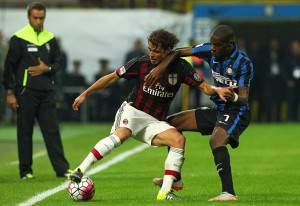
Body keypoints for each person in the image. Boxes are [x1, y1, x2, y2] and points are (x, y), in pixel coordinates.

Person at [69, 29, 233, 200]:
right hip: (133, 112)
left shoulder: (182, 68)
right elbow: (111, 78)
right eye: (150, 49)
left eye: (156, 50)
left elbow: (204, 87)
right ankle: (80, 170)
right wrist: (85, 94)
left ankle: (165, 192)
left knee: (178, 140)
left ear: (168, 51)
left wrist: (217, 90)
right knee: (121, 135)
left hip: (154, 121)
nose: (151, 54)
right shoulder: (141, 63)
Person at [146, 25, 254, 202]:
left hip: (237, 111)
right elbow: (178, 52)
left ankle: (229, 193)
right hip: (218, 110)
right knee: (172, 124)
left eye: (217, 45)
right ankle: (176, 179)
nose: (212, 48)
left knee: (216, 139)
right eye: (211, 44)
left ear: (230, 45)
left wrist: (232, 97)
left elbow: (243, 97)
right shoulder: (210, 49)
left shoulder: (244, 63)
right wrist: (160, 68)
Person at [2, 2, 70, 179]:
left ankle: (61, 169)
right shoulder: (18, 38)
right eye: (35, 18)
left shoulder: (50, 39)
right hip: (25, 93)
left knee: (52, 130)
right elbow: (9, 67)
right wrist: (9, 92)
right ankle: (26, 171)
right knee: (24, 132)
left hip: (47, 91)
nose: (39, 21)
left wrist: (46, 69)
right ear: (28, 17)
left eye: (41, 18)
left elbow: (58, 63)